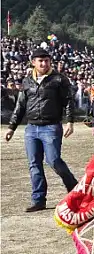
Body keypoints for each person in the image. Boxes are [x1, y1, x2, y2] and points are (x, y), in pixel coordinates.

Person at [5, 48, 79, 213]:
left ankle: (74, 189)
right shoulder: (26, 81)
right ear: (33, 62)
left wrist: (70, 122)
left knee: (54, 161)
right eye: (40, 61)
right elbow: (20, 106)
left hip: (51, 127)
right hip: (31, 128)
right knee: (34, 164)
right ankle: (38, 200)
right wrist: (11, 127)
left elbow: (68, 101)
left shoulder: (59, 79)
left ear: (50, 61)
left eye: (46, 60)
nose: (44, 63)